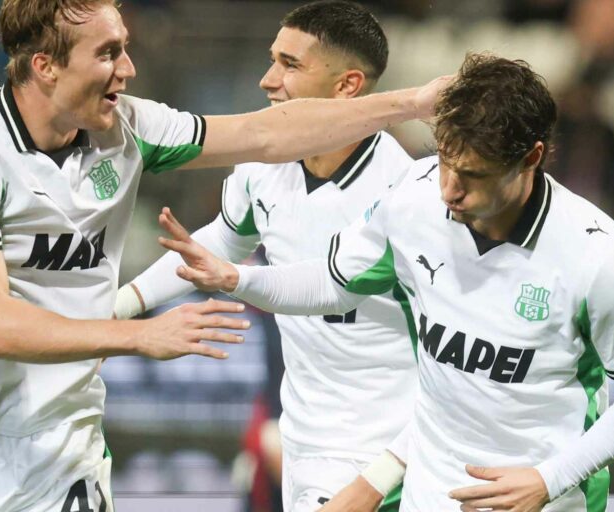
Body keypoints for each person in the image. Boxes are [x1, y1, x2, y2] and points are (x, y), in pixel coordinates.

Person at [0, 1, 448, 511]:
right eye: (108, 53)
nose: (128, 68)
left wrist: (413, 102)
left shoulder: (129, 127)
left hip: (67, 435)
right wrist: (136, 333)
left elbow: (267, 134)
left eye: (125, 47)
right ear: (45, 66)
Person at [156, 53, 614, 512]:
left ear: (531, 157)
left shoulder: (597, 258)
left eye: (472, 175)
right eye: (446, 160)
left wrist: (547, 480)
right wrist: (238, 277)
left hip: (542, 498)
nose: (449, 188)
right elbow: (335, 282)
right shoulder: (415, 196)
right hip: (429, 489)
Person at [115, 2, 416, 511]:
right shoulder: (263, 171)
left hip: (397, 446)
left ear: (347, 86)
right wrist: (117, 309)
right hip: (309, 446)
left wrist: (386, 473)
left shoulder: (408, 194)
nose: (267, 80)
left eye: (290, 65)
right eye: (273, 60)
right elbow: (216, 246)